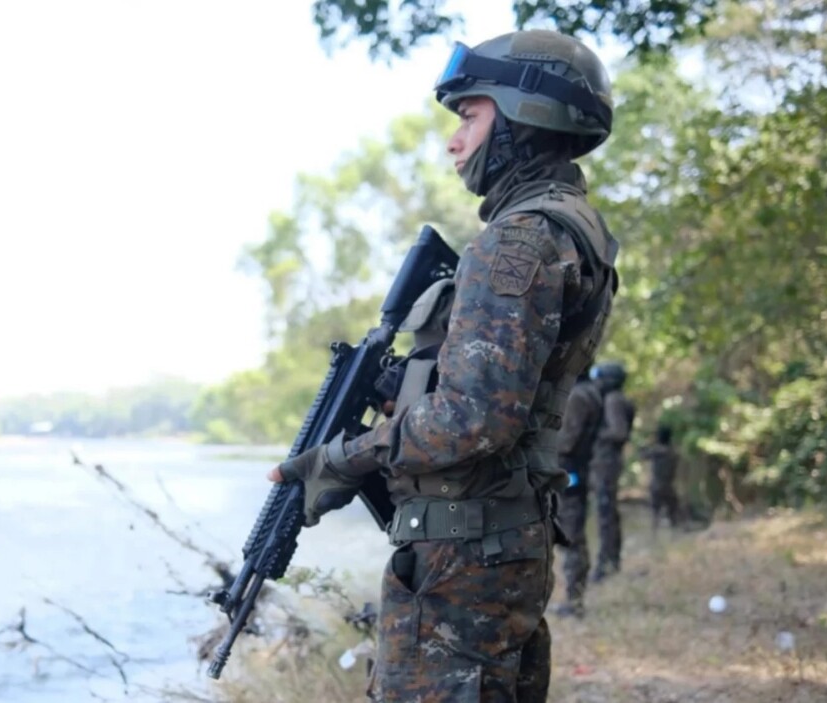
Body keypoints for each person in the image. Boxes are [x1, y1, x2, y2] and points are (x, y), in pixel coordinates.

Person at [266, 28, 619, 701]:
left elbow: (471, 419)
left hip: (463, 558)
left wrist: (337, 459)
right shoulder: (572, 229)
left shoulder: (517, 239)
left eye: (468, 116)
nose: (455, 142)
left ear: (523, 113)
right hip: (501, 542)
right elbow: (506, 397)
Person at [552, 369, 603, 618]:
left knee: (572, 535)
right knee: (573, 534)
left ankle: (574, 601)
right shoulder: (591, 392)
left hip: (569, 471)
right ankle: (574, 597)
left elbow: (566, 440)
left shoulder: (578, 396)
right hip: (576, 470)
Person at [589, 361, 633, 582]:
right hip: (608, 462)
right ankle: (610, 561)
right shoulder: (617, 398)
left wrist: (595, 435)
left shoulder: (613, 399)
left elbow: (619, 432)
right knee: (608, 513)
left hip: (607, 463)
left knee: (606, 514)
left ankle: (606, 564)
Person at [640, 424, 683, 533]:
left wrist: (647, 443)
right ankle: (674, 537)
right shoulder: (673, 452)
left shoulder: (656, 451)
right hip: (669, 486)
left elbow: (642, 455)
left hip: (656, 485)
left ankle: (653, 537)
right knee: (673, 516)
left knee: (655, 516)